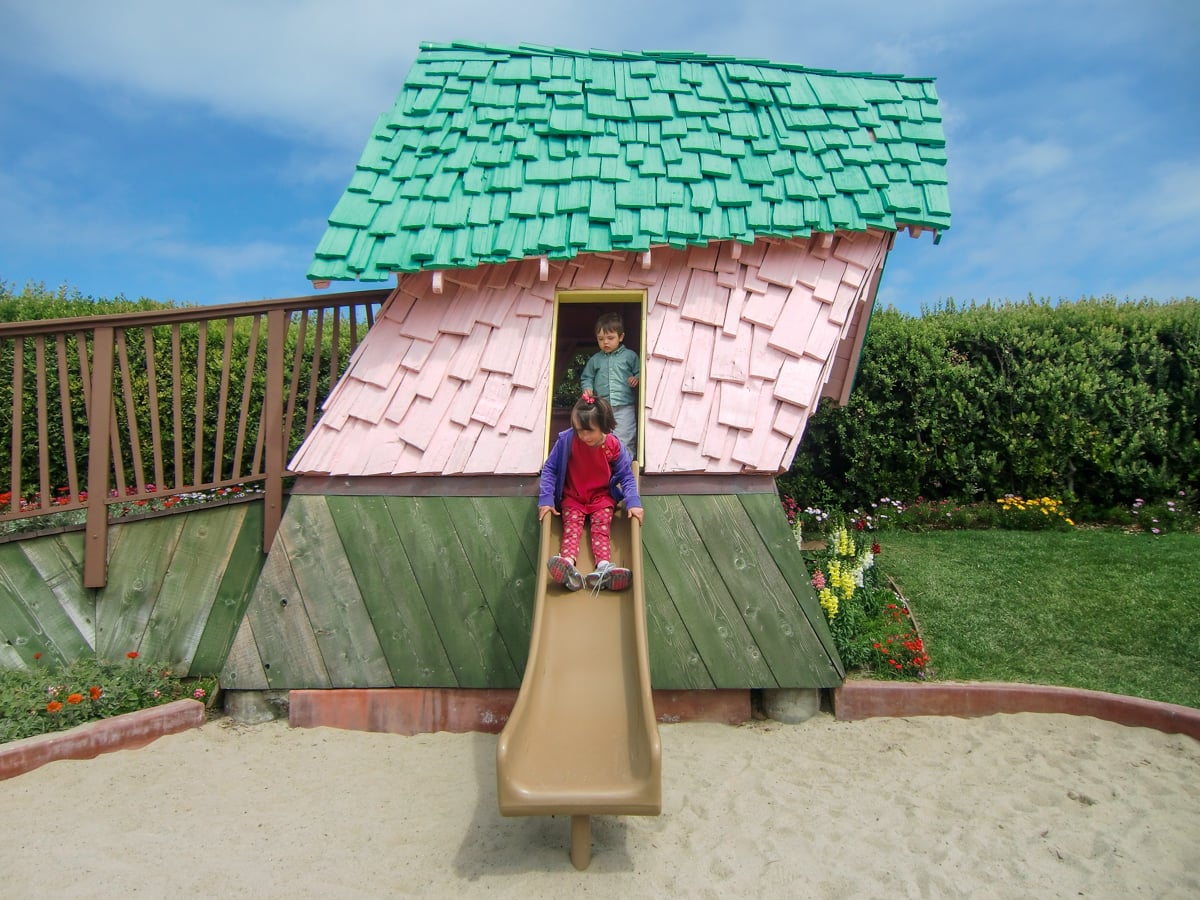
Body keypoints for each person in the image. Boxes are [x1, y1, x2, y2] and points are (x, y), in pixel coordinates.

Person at [538, 395, 644, 592]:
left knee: (601, 527)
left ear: (604, 426)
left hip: (601, 498)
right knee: (572, 528)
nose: (583, 436)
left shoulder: (613, 446)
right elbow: (550, 469)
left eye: (589, 431)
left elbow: (626, 476)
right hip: (573, 497)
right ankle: (567, 565)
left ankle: (604, 568)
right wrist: (546, 500)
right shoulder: (567, 440)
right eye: (579, 430)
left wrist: (634, 502)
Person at [580, 311, 640, 457]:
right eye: (600, 339)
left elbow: (641, 372)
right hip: (602, 408)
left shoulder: (630, 356)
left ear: (621, 337)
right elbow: (586, 377)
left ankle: (625, 466)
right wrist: (587, 387)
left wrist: (636, 378)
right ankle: (605, 465)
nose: (605, 342)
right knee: (602, 436)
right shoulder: (595, 359)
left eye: (610, 338)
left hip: (624, 406)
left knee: (625, 436)